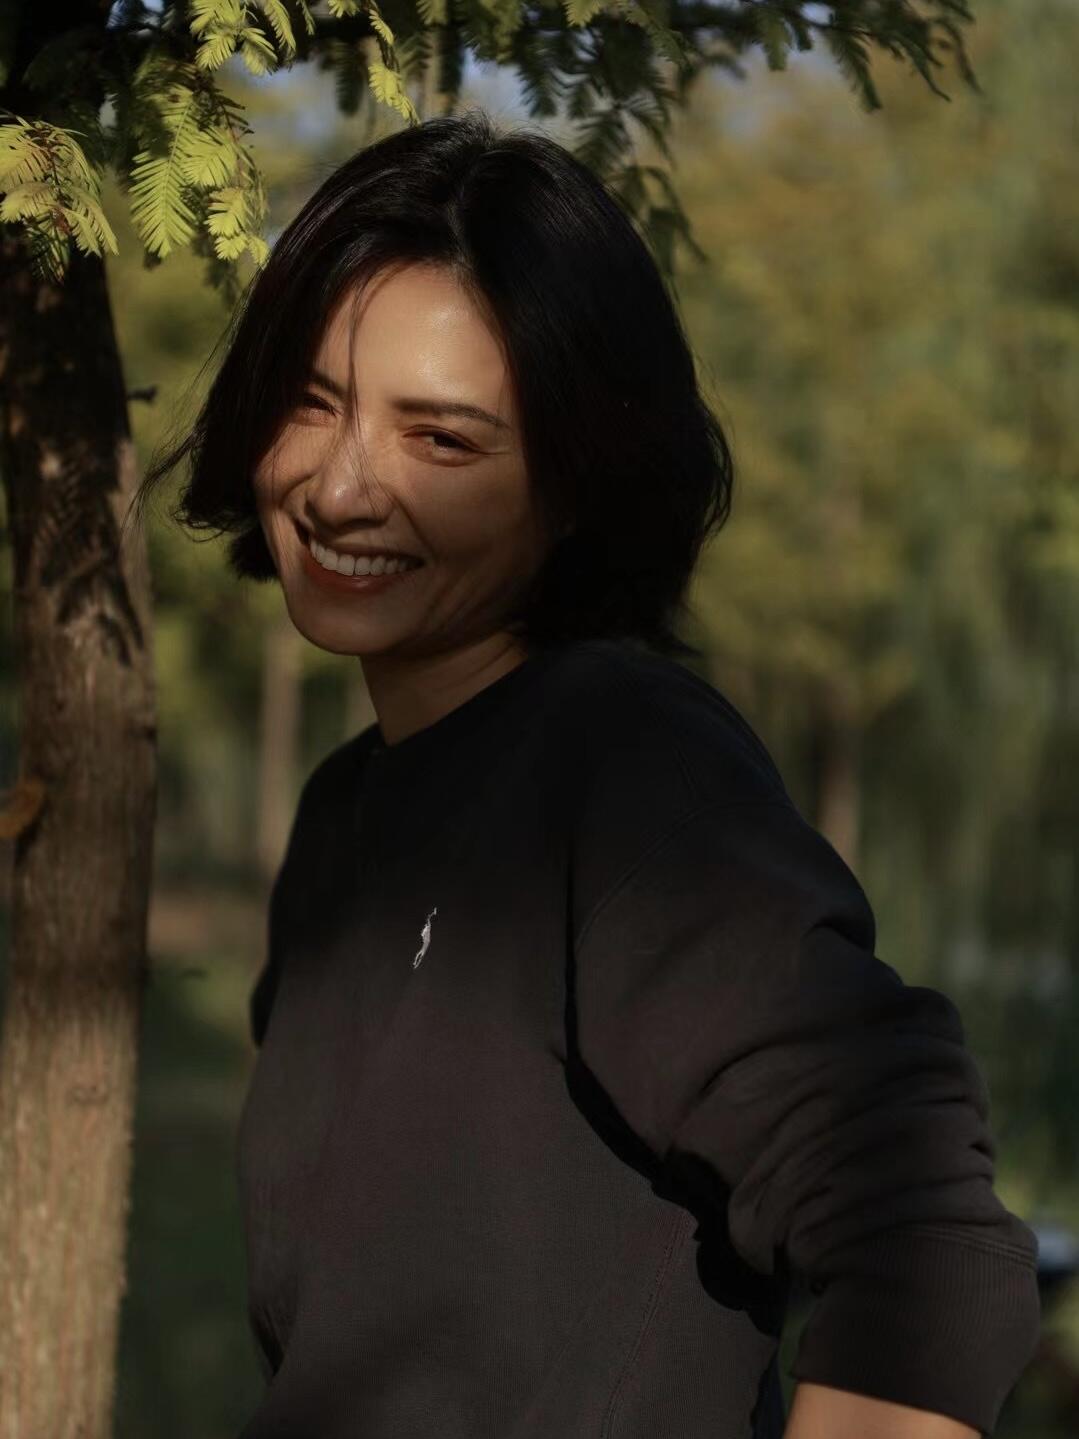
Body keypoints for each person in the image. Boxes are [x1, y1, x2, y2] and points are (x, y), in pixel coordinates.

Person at [132, 109, 1041, 1439]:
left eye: (443, 440)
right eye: (313, 403)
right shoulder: (346, 814)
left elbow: (925, 1247)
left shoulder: (625, 769)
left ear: (575, 482)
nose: (339, 489)